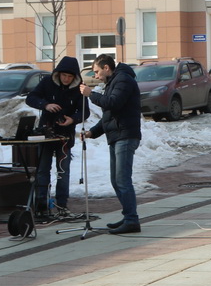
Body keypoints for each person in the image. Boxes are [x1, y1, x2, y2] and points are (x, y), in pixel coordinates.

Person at [80, 55, 142, 234]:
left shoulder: (123, 80)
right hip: (117, 136)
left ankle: (132, 220)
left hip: (126, 136)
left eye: (98, 71)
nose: (96, 76)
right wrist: (93, 132)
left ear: (107, 68)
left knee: (122, 180)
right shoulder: (115, 81)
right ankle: (128, 216)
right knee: (116, 180)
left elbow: (113, 104)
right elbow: (109, 115)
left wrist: (91, 94)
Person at [24, 55, 83, 221]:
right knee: (43, 170)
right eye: (64, 75)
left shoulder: (78, 89)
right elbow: (31, 98)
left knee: (63, 172)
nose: (66, 79)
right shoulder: (47, 83)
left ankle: (62, 205)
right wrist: (45, 105)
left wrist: (73, 119)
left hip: (65, 136)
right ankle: (42, 205)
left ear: (75, 77)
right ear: (58, 74)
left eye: (70, 77)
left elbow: (84, 110)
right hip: (46, 133)